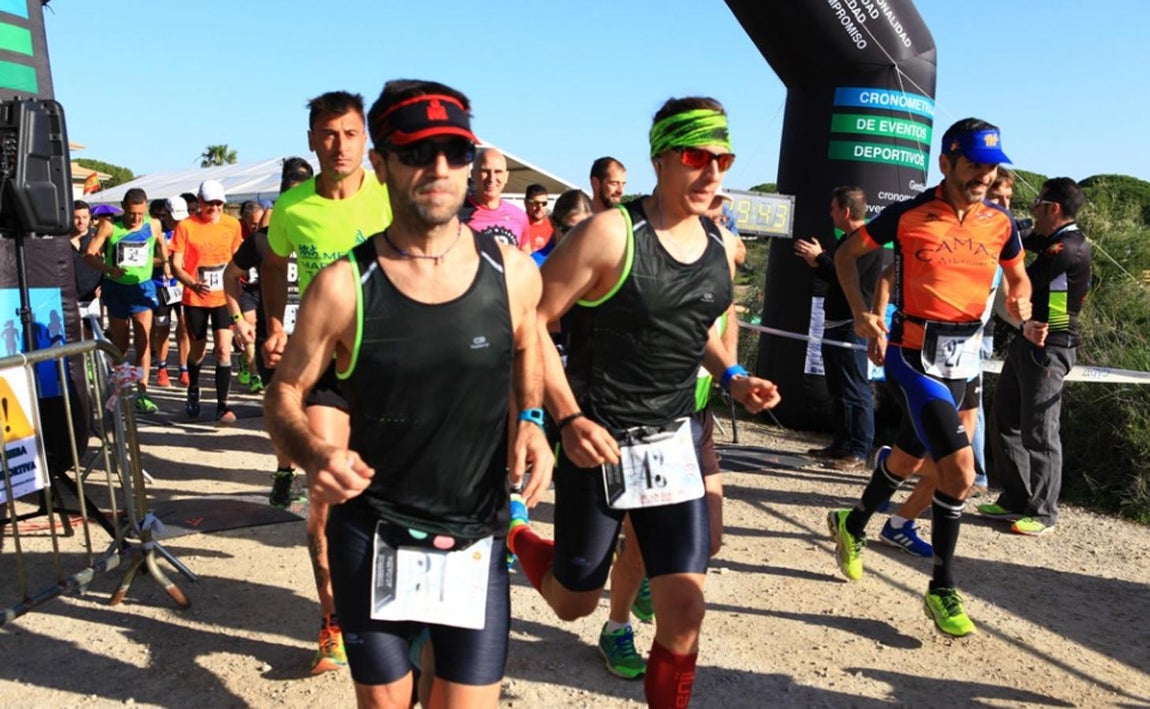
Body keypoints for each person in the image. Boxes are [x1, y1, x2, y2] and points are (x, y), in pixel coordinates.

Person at [265, 78, 552, 709]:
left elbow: (531, 344)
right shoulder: (344, 286)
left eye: (455, 151)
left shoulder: (512, 273)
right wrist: (315, 456)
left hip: (475, 535)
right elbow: (284, 394)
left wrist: (533, 418)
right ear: (382, 163)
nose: (440, 168)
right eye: (418, 152)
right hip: (374, 537)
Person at [506, 96, 780, 707]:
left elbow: (697, 325)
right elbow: (534, 322)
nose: (712, 173)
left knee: (684, 612)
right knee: (574, 600)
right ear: (661, 159)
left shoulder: (719, 246)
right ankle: (518, 533)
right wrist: (565, 417)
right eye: (696, 157)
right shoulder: (609, 234)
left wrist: (734, 375)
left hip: (672, 446)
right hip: (599, 443)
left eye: (724, 159)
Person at [827, 118, 1032, 637]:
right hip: (913, 356)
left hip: (964, 361)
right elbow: (846, 254)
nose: (984, 177)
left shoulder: (1000, 224)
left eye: (992, 168)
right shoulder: (909, 214)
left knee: (909, 457)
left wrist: (1020, 298)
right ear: (946, 163)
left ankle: (852, 524)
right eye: (974, 166)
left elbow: (1018, 273)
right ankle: (942, 587)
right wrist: (859, 312)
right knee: (961, 472)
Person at [261, 90, 393, 676]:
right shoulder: (291, 208)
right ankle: (333, 622)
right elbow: (271, 263)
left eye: (350, 133)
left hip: (391, 367)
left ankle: (397, 612)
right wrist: (270, 321)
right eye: (328, 134)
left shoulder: (394, 199)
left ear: (365, 138)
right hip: (326, 368)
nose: (339, 145)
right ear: (312, 141)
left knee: (396, 496)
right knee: (323, 499)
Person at [980, 177, 1092, 536]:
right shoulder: (1053, 239)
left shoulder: (1068, 248)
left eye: (1037, 204)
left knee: (1040, 431)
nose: (1031, 210)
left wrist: (1038, 324)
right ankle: (1015, 498)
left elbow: (1023, 280)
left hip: (1050, 346)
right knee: (1004, 420)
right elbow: (1016, 237)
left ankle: (1044, 512)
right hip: (1026, 339)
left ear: (1053, 208)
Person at [225, 159, 314, 509]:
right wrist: (238, 319)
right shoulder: (262, 241)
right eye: (292, 196)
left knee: (316, 410)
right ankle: (283, 475)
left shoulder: (321, 233)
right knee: (285, 412)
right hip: (273, 340)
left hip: (316, 339)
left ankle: (313, 480)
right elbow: (230, 276)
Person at [795, 187, 883, 471]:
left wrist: (821, 258)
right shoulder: (847, 239)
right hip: (833, 323)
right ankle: (841, 444)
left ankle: (860, 450)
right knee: (838, 388)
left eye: (833, 208)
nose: (829, 214)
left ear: (845, 211)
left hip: (851, 325)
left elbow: (848, 277)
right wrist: (817, 263)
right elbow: (837, 280)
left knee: (855, 389)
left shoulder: (867, 242)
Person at [83, 188, 169, 415]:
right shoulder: (110, 226)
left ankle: (142, 391)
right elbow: (89, 254)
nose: (136, 218)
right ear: (123, 206)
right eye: (132, 213)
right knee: (121, 345)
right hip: (117, 289)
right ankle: (121, 388)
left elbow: (162, 244)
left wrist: (166, 263)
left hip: (142, 288)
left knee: (143, 340)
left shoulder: (154, 224)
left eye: (140, 213)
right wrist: (109, 268)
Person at [170, 179, 243, 425]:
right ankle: (193, 390)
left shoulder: (233, 225)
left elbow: (237, 257)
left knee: (224, 350)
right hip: (196, 298)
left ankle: (223, 405)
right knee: (197, 351)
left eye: (218, 203)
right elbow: (176, 265)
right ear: (199, 202)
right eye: (209, 203)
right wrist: (191, 283)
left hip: (223, 297)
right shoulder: (186, 226)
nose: (214, 207)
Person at [148, 196, 190, 388]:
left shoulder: (188, 229)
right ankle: (162, 368)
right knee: (162, 327)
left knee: (184, 326)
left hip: (182, 285)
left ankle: (184, 368)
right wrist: (167, 260)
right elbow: (146, 260)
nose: (178, 221)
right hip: (161, 285)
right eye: (174, 217)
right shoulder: (157, 230)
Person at [458, 147, 529, 248]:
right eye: (485, 171)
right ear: (473, 175)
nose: (492, 178)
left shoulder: (519, 216)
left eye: (498, 172)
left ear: (506, 176)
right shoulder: (455, 216)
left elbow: (525, 259)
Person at [69, 200, 103, 326]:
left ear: (90, 217)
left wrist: (104, 284)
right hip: (69, 294)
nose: (81, 221)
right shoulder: (61, 240)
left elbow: (110, 262)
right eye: (76, 217)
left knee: (93, 333)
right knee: (72, 332)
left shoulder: (98, 239)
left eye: (84, 217)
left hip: (93, 295)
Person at [522, 183, 553, 255]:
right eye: (535, 203)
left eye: (544, 203)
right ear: (526, 203)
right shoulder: (518, 227)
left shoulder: (553, 227)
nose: (540, 208)